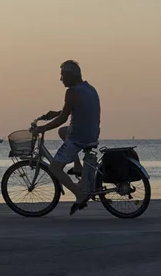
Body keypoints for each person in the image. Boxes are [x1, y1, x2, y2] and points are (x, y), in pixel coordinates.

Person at [31, 60, 101, 215]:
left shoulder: (71, 92)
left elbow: (64, 118)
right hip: (92, 133)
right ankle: (77, 166)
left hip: (79, 137)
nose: (61, 79)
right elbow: (72, 110)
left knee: (54, 167)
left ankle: (79, 194)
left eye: (62, 75)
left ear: (71, 75)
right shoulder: (89, 88)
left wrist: (41, 128)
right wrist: (55, 113)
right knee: (63, 132)